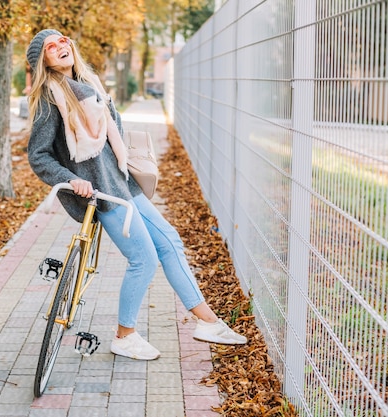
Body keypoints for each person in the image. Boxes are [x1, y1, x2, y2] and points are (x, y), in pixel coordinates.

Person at [26, 29, 247, 360]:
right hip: (101, 194)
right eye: (49, 47)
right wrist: (72, 180)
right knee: (143, 259)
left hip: (123, 183)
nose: (60, 47)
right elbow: (38, 155)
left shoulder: (91, 84)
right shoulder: (49, 98)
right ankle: (124, 335)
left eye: (62, 41)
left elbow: (115, 132)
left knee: (170, 242)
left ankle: (207, 322)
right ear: (42, 60)